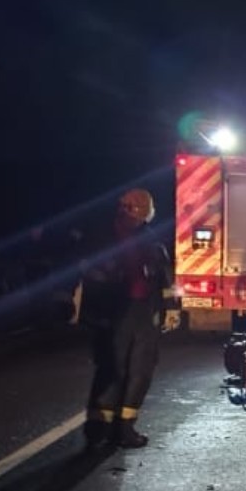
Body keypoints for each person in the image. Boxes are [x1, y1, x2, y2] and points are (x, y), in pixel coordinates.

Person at [77, 188, 178, 449]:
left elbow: (164, 275)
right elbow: (90, 276)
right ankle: (98, 428)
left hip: (144, 311)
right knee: (112, 369)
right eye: (133, 210)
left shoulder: (150, 239)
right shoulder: (101, 238)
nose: (135, 216)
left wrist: (171, 307)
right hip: (113, 312)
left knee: (140, 370)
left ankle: (124, 429)